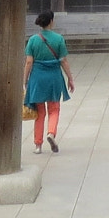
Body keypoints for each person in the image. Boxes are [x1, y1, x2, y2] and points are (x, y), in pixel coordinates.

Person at [23, 10, 74, 155]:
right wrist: (70, 78)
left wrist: (25, 80)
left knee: (39, 112)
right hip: (54, 77)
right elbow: (63, 60)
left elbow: (28, 62)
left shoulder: (33, 40)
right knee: (54, 109)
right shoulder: (58, 39)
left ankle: (38, 145)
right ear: (51, 21)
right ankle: (51, 133)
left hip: (37, 78)